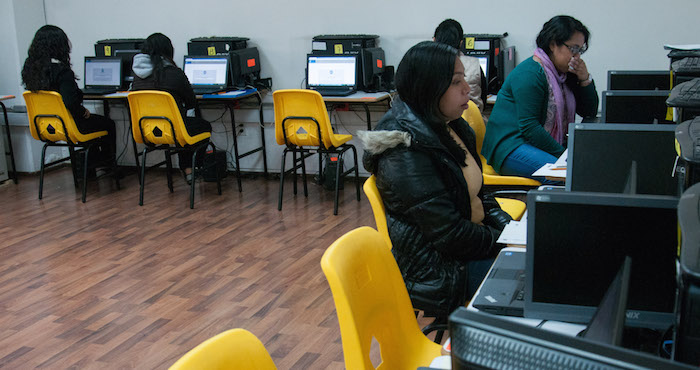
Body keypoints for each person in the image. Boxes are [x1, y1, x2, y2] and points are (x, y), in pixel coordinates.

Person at [360, 41, 511, 315]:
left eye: (464, 78)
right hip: (441, 271)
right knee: (535, 278)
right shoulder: (402, 149)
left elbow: (481, 194)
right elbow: (450, 235)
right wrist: (503, 241)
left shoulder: (451, 125)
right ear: (428, 87)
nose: (467, 89)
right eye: (456, 82)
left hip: (468, 248)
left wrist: (511, 230)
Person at [482, 15, 598, 183]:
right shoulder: (531, 73)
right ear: (553, 44)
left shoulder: (564, 75)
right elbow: (529, 127)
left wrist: (584, 78)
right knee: (565, 176)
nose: (577, 56)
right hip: (511, 145)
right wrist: (564, 156)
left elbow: (589, 111)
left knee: (591, 165)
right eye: (573, 49)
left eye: (580, 50)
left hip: (532, 142)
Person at [22, 25, 117, 174]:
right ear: (59, 45)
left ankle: (90, 165)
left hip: (45, 125)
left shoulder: (29, 70)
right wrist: (82, 111)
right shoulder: (62, 71)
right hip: (69, 125)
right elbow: (70, 101)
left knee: (92, 123)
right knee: (108, 124)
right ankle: (108, 165)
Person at [130, 33, 212, 184]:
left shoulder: (136, 76)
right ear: (168, 51)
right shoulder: (173, 73)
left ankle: (187, 169)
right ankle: (191, 168)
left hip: (146, 131)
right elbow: (191, 102)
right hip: (173, 129)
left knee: (182, 125)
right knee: (201, 126)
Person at [433, 19, 487, 112]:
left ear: (434, 40)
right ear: (461, 43)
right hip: (473, 120)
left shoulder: (427, 65)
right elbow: (484, 99)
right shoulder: (474, 64)